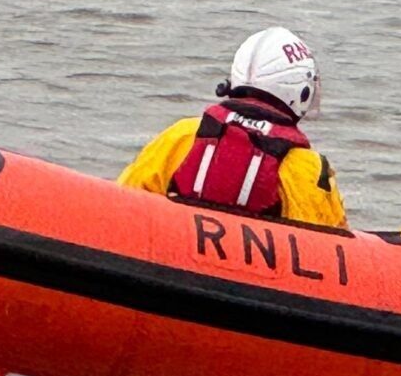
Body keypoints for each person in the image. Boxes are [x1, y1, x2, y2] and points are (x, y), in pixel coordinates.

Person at [118, 26, 346, 226]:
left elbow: (125, 198)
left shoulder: (182, 135)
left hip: (169, 256)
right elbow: (327, 245)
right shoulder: (307, 167)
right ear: (301, 91)